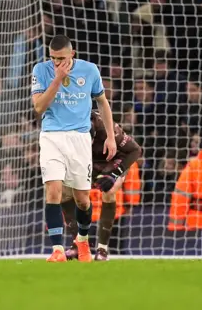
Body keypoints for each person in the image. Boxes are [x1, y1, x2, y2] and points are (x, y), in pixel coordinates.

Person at [31, 35, 117, 262]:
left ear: (72, 54)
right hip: (51, 137)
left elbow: (102, 102)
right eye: (53, 58)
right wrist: (57, 79)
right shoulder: (41, 70)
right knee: (53, 191)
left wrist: (110, 137)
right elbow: (39, 107)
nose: (57, 63)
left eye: (61, 58)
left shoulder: (89, 71)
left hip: (79, 139)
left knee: (82, 199)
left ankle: (82, 239)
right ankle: (57, 250)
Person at [63, 110, 142, 261]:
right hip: (87, 160)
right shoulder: (65, 129)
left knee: (110, 191)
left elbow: (135, 150)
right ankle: (78, 244)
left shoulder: (108, 129)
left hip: (111, 160)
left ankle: (102, 250)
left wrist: (113, 175)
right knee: (64, 190)